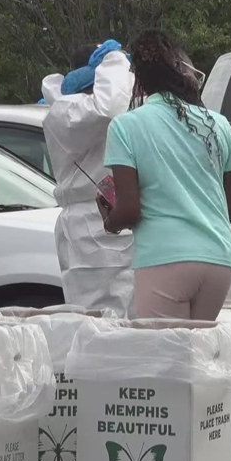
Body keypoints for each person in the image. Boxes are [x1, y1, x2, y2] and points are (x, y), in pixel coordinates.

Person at [99, 30, 231, 321]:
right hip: (219, 259)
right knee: (197, 358)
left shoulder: (126, 126)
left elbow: (129, 210)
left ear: (139, 80)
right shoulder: (219, 125)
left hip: (164, 259)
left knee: (165, 361)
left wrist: (109, 221)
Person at [42, 40, 135, 315]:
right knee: (100, 321)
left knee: (121, 321)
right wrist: (116, 61)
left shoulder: (92, 112)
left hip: (105, 225)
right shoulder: (68, 110)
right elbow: (107, 108)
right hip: (92, 227)